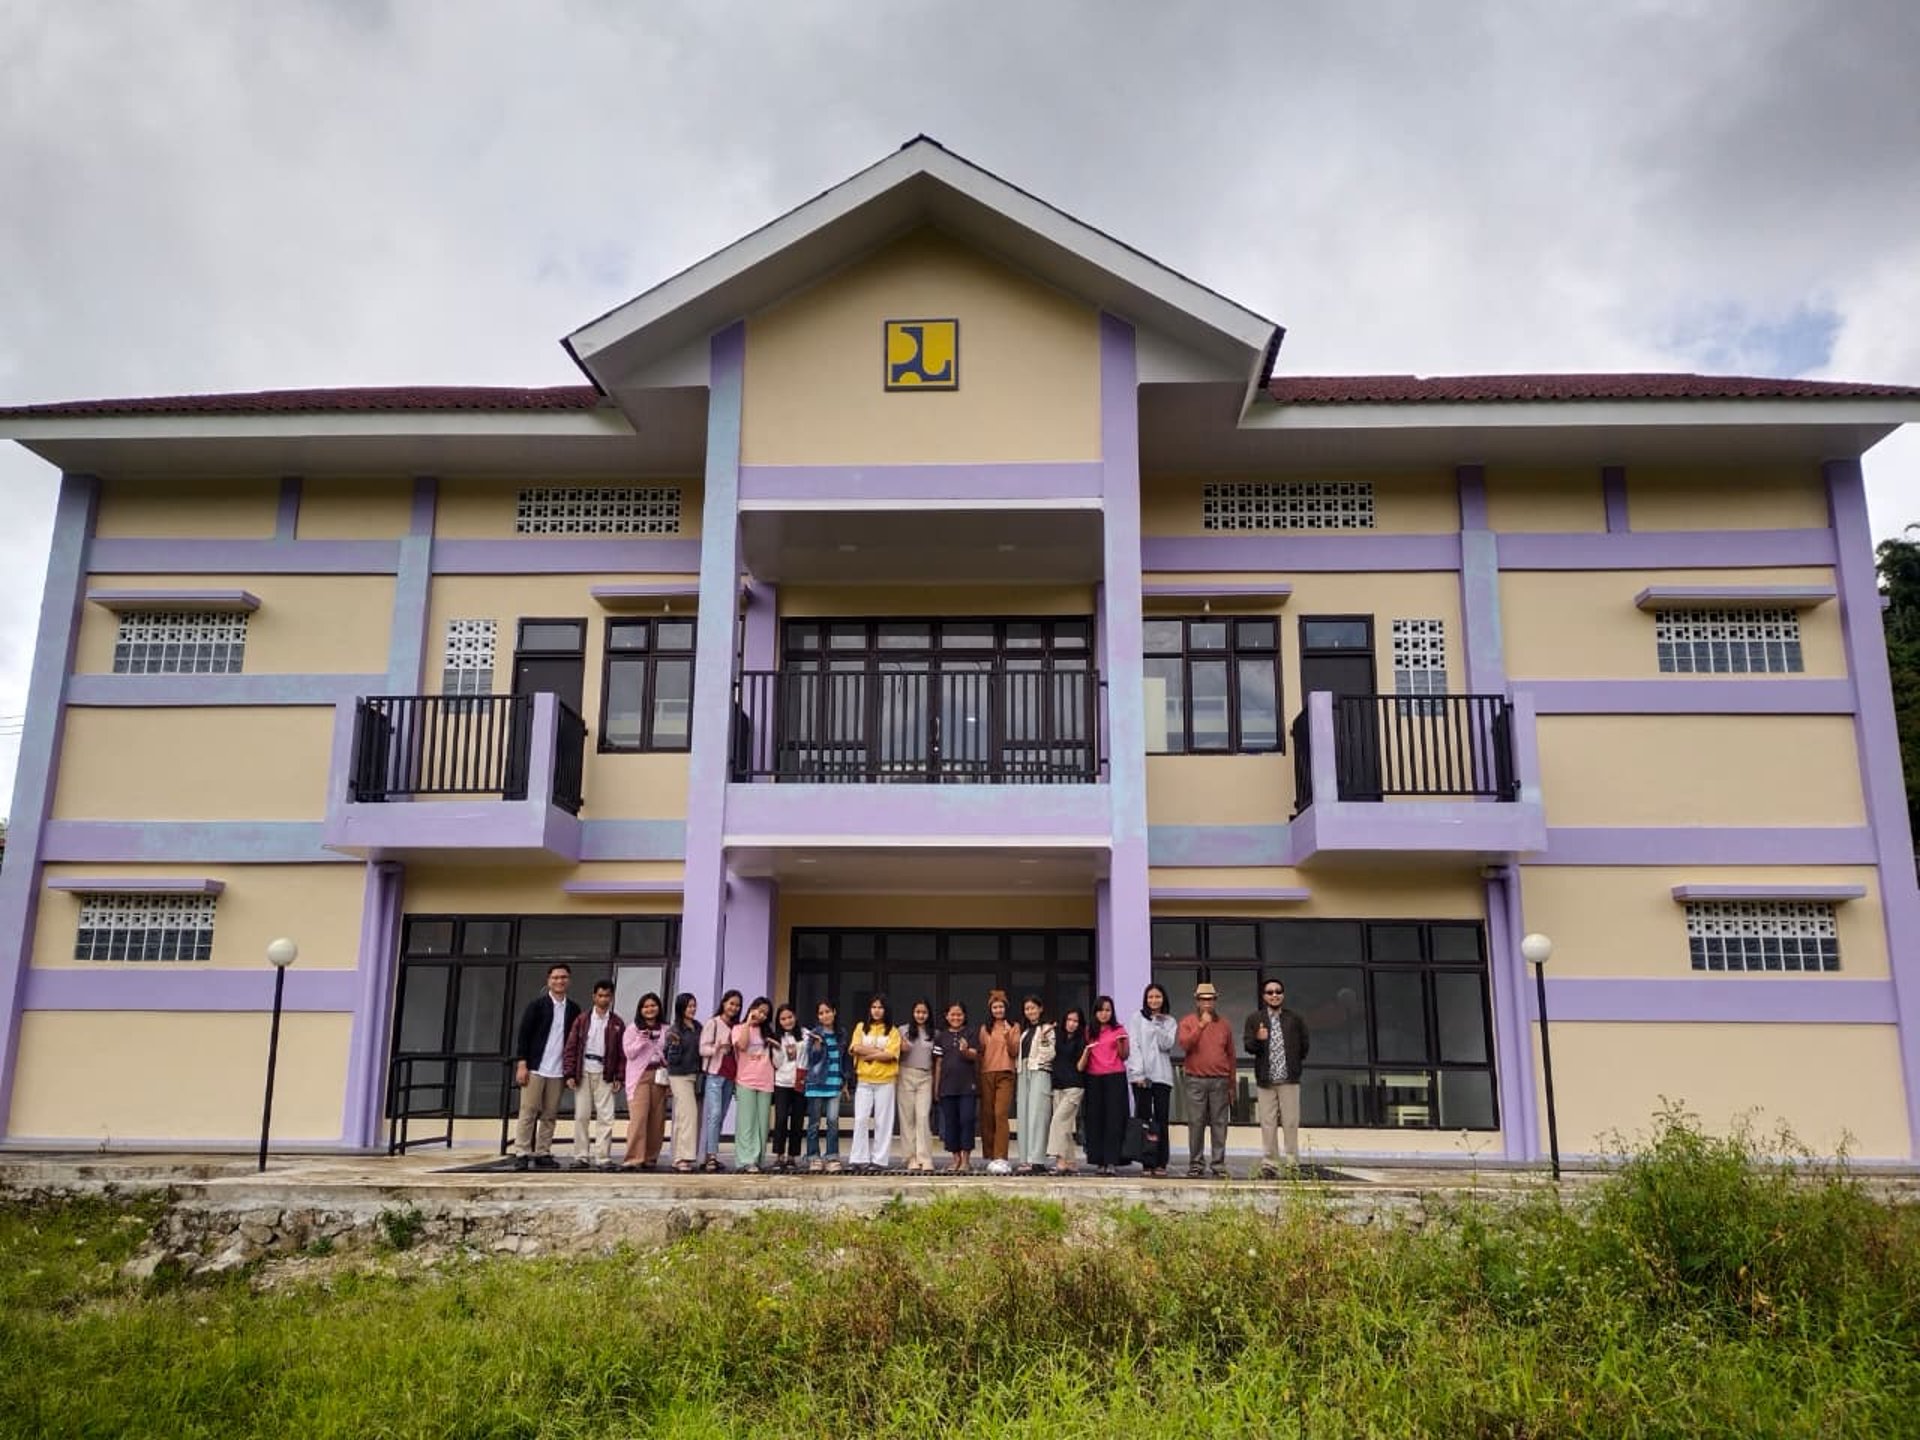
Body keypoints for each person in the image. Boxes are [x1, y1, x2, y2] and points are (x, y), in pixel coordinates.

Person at [512, 963, 580, 1171]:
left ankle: (543, 1151)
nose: (559, 981)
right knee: (528, 1111)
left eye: (563, 977)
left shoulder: (573, 1009)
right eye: (555, 977)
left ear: (569, 980)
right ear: (548, 980)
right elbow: (524, 1035)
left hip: (558, 1071)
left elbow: (575, 1041)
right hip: (535, 1067)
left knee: (550, 1114)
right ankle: (522, 1151)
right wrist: (522, 1064)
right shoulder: (537, 1006)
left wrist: (571, 1070)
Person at [1245, 976, 1312, 1175]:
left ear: (1283, 995)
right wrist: (1259, 1039)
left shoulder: (1294, 1019)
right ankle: (1270, 1163)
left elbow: (1304, 1045)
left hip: (1289, 1079)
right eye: (1270, 992)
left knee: (1291, 1121)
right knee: (1268, 1122)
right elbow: (1248, 1046)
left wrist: (1294, 1065)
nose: (1274, 995)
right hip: (1266, 1079)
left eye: (1278, 992)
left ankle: (1292, 1162)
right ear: (1264, 996)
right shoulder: (1255, 1019)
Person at [562, 979, 627, 1172]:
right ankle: (581, 1155)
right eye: (600, 995)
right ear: (594, 996)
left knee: (606, 1116)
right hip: (583, 1070)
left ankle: (603, 1157)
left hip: (605, 1072)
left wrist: (619, 1077)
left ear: (612, 997)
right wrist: (569, 1072)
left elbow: (621, 1054)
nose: (603, 999)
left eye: (607, 996)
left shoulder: (617, 1023)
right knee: (582, 1115)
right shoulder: (582, 1020)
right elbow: (571, 1047)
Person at [1176, 981, 1236, 1178]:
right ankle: (1196, 1163)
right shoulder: (1187, 1022)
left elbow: (1231, 1055)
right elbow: (1185, 1045)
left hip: (1220, 1079)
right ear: (1197, 1001)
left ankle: (1218, 1164)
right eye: (1203, 999)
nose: (1207, 1003)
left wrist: (1232, 1084)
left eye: (1210, 999)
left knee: (1220, 1123)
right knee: (1196, 1123)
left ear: (1215, 1001)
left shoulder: (1224, 1024)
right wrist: (1201, 1025)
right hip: (1195, 1079)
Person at [1125, 982, 1177, 1177]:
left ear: (1163, 999)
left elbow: (1167, 1044)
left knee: (1161, 1119)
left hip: (1162, 1076)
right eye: (1150, 997)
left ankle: (1161, 1161)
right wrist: (1138, 1073)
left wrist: (1157, 1023)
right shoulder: (1137, 1018)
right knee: (1144, 1119)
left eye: (1157, 997)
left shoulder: (1170, 1021)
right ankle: (1146, 1161)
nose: (1154, 1000)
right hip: (1142, 1077)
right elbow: (1135, 1045)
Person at [848, 993, 902, 1173]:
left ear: (886, 1010)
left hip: (885, 1081)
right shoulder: (861, 1027)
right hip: (864, 1080)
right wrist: (878, 1051)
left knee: (883, 1122)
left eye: (880, 1007)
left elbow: (890, 1055)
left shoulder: (893, 1031)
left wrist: (868, 1054)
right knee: (861, 1119)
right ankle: (858, 1158)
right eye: (874, 1007)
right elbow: (855, 1047)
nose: (877, 1011)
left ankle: (879, 1160)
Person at [1080, 995, 1131, 1176]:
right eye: (1101, 1010)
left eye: (1108, 1010)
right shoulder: (1088, 1031)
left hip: (1115, 1078)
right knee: (1095, 1120)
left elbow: (1125, 1056)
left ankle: (1112, 1161)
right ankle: (1099, 1160)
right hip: (1094, 1079)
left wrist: (1120, 1044)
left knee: (1114, 1120)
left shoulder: (1119, 1029)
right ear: (1095, 1012)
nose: (1104, 1014)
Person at [620, 991, 668, 1171]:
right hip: (639, 1077)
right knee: (639, 1118)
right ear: (640, 1009)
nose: (650, 1009)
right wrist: (642, 1039)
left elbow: (669, 1051)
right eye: (646, 1006)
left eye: (653, 1006)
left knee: (657, 1119)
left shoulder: (665, 1028)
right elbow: (629, 1053)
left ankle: (650, 1158)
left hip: (659, 1075)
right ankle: (633, 1158)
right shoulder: (633, 1029)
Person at [697, 989, 744, 1173]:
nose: (734, 1007)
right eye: (731, 1003)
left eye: (737, 1005)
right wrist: (718, 1047)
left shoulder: (737, 1026)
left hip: (730, 1075)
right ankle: (710, 1156)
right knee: (714, 1113)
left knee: (721, 1115)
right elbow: (702, 1049)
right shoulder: (713, 1023)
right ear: (724, 1003)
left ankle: (712, 1154)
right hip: (715, 1074)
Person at [976, 990, 1020, 1175]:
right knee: (987, 1115)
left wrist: (1009, 1033)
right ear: (990, 1009)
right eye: (995, 1007)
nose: (998, 1009)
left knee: (1000, 1113)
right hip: (987, 1072)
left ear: (1006, 1008)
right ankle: (990, 1155)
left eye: (1001, 1006)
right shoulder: (985, 1028)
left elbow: (1014, 1051)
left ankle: (1001, 1157)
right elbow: (980, 1052)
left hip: (1006, 1073)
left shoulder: (1014, 1026)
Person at [730, 997, 777, 1173]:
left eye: (766, 1013)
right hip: (745, 1079)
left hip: (765, 1080)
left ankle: (757, 1159)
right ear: (752, 1009)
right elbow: (742, 1045)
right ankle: (745, 1159)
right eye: (760, 1010)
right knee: (746, 1122)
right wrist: (749, 1022)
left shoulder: (768, 1032)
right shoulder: (738, 1028)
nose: (762, 1015)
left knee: (762, 1123)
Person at [802, 1000, 848, 1173]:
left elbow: (844, 1060)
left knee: (833, 1121)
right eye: (821, 1013)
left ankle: (832, 1156)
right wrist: (817, 1046)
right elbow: (811, 1060)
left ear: (834, 1012)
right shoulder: (814, 1034)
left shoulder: (841, 1033)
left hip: (835, 1083)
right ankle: (813, 1157)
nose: (825, 1015)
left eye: (827, 1011)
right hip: (816, 1084)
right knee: (814, 1123)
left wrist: (845, 1081)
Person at [933, 1001, 979, 1173]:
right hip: (947, 1086)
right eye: (952, 1014)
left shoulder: (971, 1032)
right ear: (946, 1016)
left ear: (964, 1016)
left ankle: (966, 1160)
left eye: (959, 1014)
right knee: (950, 1123)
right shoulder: (941, 1036)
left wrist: (965, 1050)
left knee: (967, 1121)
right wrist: (936, 1087)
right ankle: (955, 1159)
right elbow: (938, 1063)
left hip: (968, 1086)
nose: (956, 1017)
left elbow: (975, 1056)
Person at [1014, 995, 1056, 1175]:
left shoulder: (1047, 1029)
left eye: (1033, 1008)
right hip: (1024, 1072)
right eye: (1027, 1009)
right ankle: (1025, 1159)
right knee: (1023, 1115)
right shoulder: (1024, 1031)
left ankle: (1037, 1159)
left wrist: (1045, 1039)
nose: (1030, 1011)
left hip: (1040, 1071)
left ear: (1040, 1009)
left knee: (1038, 1115)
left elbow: (1049, 1055)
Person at [662, 992, 703, 1173]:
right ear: (681, 1008)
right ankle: (684, 1157)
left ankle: (677, 1157)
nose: (692, 1009)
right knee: (689, 1115)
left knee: (681, 1117)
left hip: (695, 1075)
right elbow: (670, 1058)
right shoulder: (674, 1030)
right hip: (679, 1075)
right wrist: (676, 1045)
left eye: (694, 1006)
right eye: (689, 1006)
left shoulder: (698, 1027)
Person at [897, 999, 937, 1173]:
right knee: (907, 1118)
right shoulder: (902, 1031)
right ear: (913, 1013)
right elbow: (893, 1052)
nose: (921, 1015)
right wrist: (900, 1048)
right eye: (918, 1012)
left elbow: (937, 1060)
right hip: (905, 1074)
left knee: (922, 1117)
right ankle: (910, 1157)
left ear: (928, 1014)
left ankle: (925, 1157)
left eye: (924, 1012)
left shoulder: (934, 1033)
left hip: (925, 1077)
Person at [1046, 1007, 1087, 1174]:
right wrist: (1047, 1032)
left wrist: (1086, 1053)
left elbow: (1080, 1067)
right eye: (1069, 1020)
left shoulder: (1081, 1041)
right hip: (1058, 1086)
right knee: (1065, 1127)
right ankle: (1071, 1163)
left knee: (1058, 1121)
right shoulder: (1058, 1037)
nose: (1072, 1024)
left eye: (1076, 1021)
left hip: (1074, 1087)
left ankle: (1060, 1161)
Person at [769, 1003, 809, 1172]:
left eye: (790, 1017)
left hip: (800, 1081)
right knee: (781, 1118)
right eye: (783, 1018)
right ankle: (779, 1155)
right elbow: (776, 1064)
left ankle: (792, 1156)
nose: (787, 1021)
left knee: (798, 1119)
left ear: (795, 1017)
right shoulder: (776, 1037)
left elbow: (809, 1057)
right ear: (779, 1021)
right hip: (782, 1082)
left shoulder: (806, 1034)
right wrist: (777, 1050)